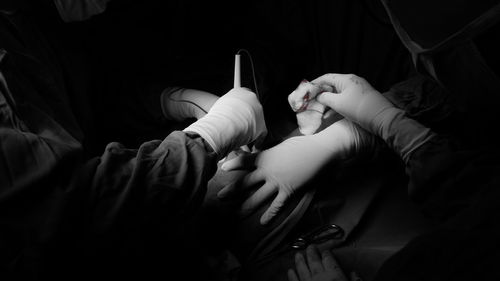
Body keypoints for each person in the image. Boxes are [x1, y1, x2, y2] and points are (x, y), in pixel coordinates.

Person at [0, 2, 267, 280]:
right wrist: (208, 137)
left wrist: (167, 101)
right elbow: (85, 209)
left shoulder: (23, 15)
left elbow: (88, 101)